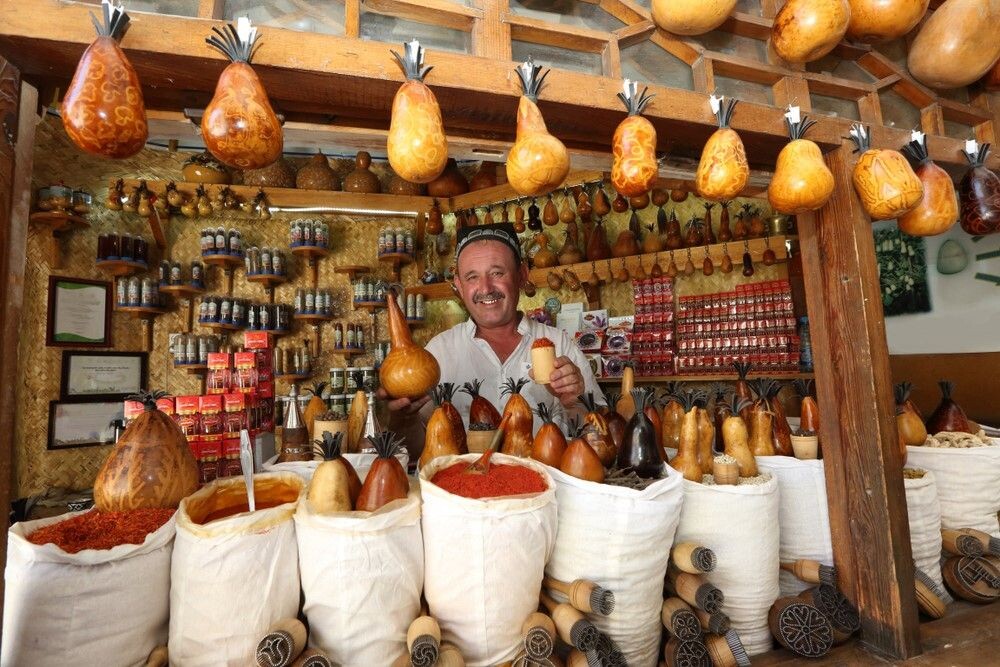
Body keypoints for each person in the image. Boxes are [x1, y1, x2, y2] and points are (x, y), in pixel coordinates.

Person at [382, 222, 605, 458]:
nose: (485, 288)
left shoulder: (558, 344)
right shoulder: (438, 352)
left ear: (522, 275)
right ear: (459, 285)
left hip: (544, 480)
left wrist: (574, 404)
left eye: (497, 273)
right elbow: (415, 452)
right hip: (460, 482)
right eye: (472, 277)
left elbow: (601, 443)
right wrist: (403, 419)